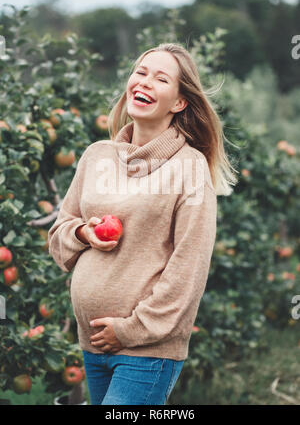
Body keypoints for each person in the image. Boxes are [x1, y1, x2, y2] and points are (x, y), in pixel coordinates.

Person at [48, 42, 238, 405]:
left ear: (179, 102)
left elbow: (190, 266)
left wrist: (130, 330)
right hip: (93, 343)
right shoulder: (96, 156)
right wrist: (83, 232)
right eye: (141, 72)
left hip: (147, 350)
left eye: (161, 78)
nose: (145, 82)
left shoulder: (189, 168)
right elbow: (59, 237)